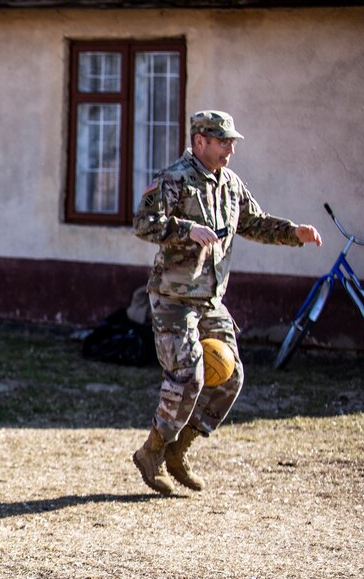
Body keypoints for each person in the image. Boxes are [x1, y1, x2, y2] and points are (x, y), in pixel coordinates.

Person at [131, 111, 322, 495]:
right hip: (174, 299)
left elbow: (254, 222)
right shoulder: (174, 179)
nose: (230, 149)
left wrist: (293, 233)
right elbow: (144, 223)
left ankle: (178, 451)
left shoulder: (229, 184)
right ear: (200, 141)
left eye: (232, 142)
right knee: (189, 376)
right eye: (223, 142)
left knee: (231, 378)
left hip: (210, 300)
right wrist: (187, 230)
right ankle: (152, 451)